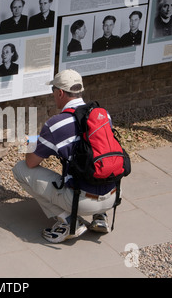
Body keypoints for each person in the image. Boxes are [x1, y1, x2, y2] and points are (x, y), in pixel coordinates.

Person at [12, 69, 118, 243]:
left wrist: (31, 142)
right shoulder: (102, 114)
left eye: (53, 91)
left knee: (20, 169)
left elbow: (30, 163)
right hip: (112, 196)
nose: (53, 95)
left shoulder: (55, 124)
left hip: (82, 201)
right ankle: (100, 217)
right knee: (97, 161)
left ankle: (70, 222)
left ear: (60, 92)